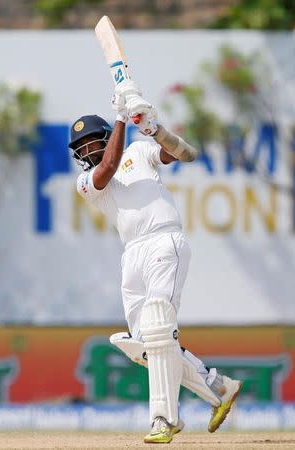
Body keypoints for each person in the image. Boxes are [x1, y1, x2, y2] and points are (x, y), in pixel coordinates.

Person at [69, 81, 242, 444]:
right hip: (132, 255)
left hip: (165, 240)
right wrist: (121, 118)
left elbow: (186, 154)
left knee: (160, 328)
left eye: (91, 143)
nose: (88, 152)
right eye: (81, 149)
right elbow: (109, 165)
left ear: (102, 138)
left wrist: (154, 129)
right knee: (145, 345)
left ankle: (163, 419)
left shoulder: (139, 150)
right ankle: (217, 386)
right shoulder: (87, 182)